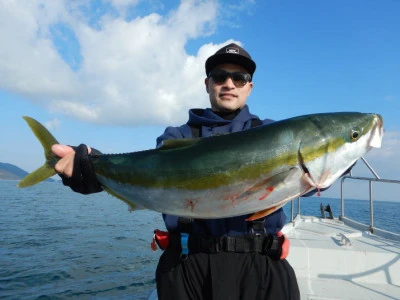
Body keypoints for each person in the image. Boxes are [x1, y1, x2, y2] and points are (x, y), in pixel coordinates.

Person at [52, 43, 301, 300]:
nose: (229, 83)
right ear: (207, 84)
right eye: (219, 76)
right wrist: (91, 168)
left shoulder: (274, 136)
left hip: (261, 268)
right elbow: (147, 171)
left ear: (249, 88)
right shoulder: (178, 136)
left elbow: (313, 175)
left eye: (239, 78)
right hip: (187, 268)